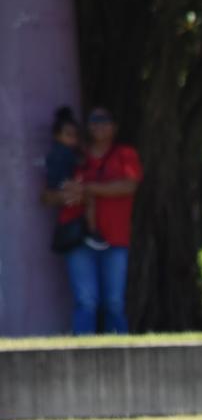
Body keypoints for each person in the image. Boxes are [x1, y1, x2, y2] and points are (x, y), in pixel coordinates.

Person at [57, 107, 142, 334]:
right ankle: (83, 350)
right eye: (94, 121)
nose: (99, 125)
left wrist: (88, 189)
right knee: (86, 300)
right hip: (80, 239)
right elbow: (55, 190)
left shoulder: (125, 155)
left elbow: (128, 185)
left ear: (114, 127)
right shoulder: (77, 156)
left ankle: (120, 349)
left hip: (115, 238)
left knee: (114, 301)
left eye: (105, 121)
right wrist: (71, 192)